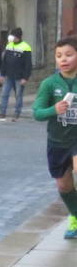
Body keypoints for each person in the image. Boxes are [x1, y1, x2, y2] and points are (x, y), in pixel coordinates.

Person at [33, 36, 77, 239]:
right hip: (58, 142)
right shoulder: (49, 84)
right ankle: (75, 217)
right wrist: (54, 109)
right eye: (59, 56)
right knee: (63, 185)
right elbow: (37, 113)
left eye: (69, 55)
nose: (63, 59)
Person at [0, 27, 33, 122]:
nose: (11, 38)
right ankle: (2, 112)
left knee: (18, 95)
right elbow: (4, 61)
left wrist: (25, 77)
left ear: (17, 37)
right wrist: (2, 74)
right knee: (4, 94)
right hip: (9, 75)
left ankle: (17, 113)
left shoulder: (26, 47)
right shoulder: (9, 45)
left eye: (12, 36)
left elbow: (28, 64)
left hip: (19, 76)